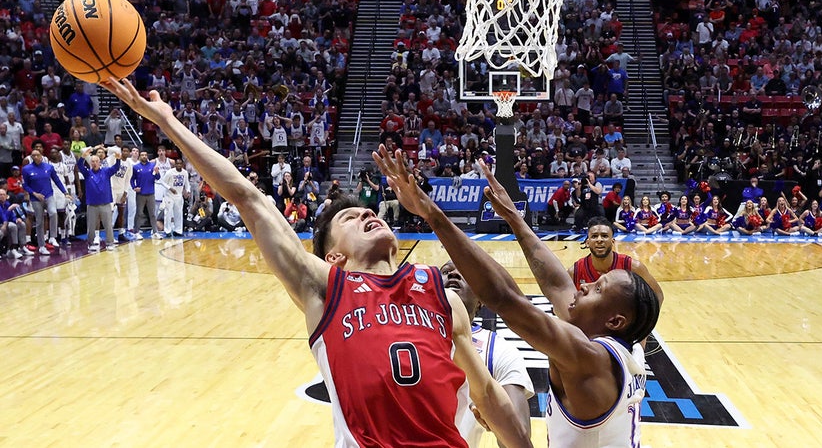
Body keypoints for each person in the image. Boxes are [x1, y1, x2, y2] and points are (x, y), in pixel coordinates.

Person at [102, 78, 531, 448]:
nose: (367, 214)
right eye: (350, 217)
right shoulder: (327, 289)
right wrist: (166, 122)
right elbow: (248, 198)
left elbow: (488, 396)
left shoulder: (441, 295)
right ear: (334, 257)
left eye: (369, 212)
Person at [374, 147, 663, 448]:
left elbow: (505, 298)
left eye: (598, 288)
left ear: (615, 320)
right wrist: (514, 217)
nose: (585, 285)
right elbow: (556, 283)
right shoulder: (619, 345)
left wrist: (431, 213)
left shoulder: (590, 359)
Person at [441, 260, 534, 448]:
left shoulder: (498, 349)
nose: (453, 275)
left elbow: (518, 434)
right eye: (445, 272)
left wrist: (498, 421)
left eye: (464, 273)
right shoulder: (399, 332)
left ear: (481, 300)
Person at [573, 216, 653, 290]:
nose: (599, 240)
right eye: (594, 236)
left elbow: (657, 295)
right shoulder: (575, 271)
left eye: (604, 236)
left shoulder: (633, 267)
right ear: (587, 242)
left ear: (612, 241)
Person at [22, 148, 67, 254]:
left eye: (37, 155)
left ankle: (52, 237)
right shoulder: (26, 169)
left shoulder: (49, 167)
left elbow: (56, 180)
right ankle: (41, 246)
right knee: (39, 222)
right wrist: (34, 193)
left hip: (48, 195)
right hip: (36, 198)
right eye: (33, 155)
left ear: (42, 156)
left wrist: (65, 192)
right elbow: (25, 185)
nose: (35, 157)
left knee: (53, 212)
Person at [77, 145, 120, 252]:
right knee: (91, 226)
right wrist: (83, 156)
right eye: (92, 161)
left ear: (100, 162)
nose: (94, 163)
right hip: (92, 204)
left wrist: (118, 159)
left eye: (96, 161)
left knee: (108, 225)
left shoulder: (106, 171)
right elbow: (79, 165)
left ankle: (110, 243)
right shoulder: (87, 173)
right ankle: (90, 243)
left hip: (105, 203)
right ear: (90, 163)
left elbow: (116, 167)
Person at [130, 150, 161, 239]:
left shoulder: (152, 166)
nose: (144, 156)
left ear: (147, 156)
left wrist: (157, 172)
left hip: (151, 193)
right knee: (139, 213)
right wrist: (134, 187)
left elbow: (158, 178)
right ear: (140, 156)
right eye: (142, 155)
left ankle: (155, 232)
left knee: (152, 214)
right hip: (140, 194)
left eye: (145, 155)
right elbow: (132, 179)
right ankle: (136, 232)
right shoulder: (135, 167)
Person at [159, 157, 190, 237]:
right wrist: (170, 188)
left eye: (180, 163)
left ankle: (178, 230)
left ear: (182, 165)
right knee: (168, 213)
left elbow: (187, 184)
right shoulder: (170, 172)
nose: (179, 165)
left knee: (179, 213)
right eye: (177, 163)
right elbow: (162, 181)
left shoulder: (185, 173)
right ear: (175, 164)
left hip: (179, 195)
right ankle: (167, 230)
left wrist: (188, 191)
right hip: (169, 195)